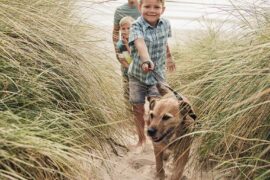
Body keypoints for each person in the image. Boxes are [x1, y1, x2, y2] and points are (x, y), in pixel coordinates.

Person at [128, 0, 176, 150]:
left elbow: (164, 42)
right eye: (147, 6)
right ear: (139, 7)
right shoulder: (136, 25)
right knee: (138, 108)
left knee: (158, 108)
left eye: (156, 7)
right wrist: (146, 59)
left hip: (157, 75)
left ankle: (156, 137)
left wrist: (169, 57)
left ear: (163, 9)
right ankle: (141, 139)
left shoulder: (166, 24)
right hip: (138, 75)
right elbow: (139, 43)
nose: (152, 10)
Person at [116, 16, 135, 103]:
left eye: (129, 28)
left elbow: (136, 56)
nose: (126, 31)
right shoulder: (120, 44)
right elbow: (126, 60)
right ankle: (128, 112)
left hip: (138, 72)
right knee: (127, 91)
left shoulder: (137, 41)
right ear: (120, 29)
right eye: (123, 28)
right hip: (127, 71)